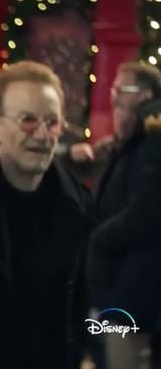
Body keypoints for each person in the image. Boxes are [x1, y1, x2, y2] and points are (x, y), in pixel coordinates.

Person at [0, 61, 94, 369]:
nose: (42, 134)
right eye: (28, 120)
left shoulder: (76, 203)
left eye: (52, 122)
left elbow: (80, 304)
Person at [85, 62, 161, 369]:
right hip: (123, 288)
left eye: (122, 89)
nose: (114, 96)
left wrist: (98, 238)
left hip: (133, 291)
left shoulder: (153, 139)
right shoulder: (136, 140)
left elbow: (145, 211)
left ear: (144, 95)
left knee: (121, 360)